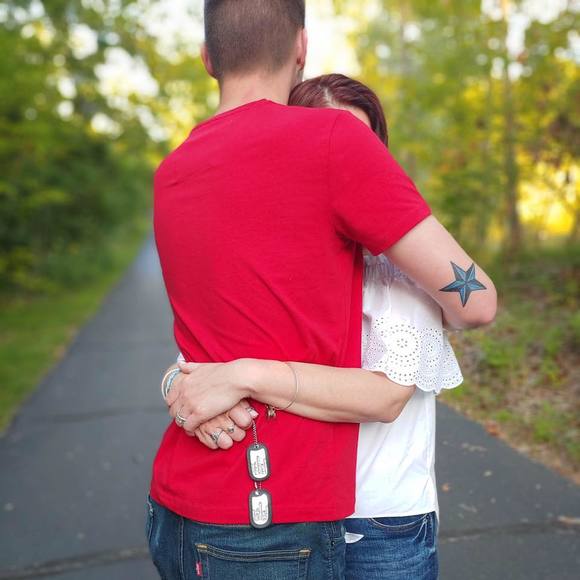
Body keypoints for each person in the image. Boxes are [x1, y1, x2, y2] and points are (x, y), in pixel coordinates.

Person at [148, 1, 497, 578]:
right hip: (272, 512)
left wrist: (208, 383)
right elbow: (477, 301)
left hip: (180, 511)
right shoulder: (331, 141)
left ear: (207, 58)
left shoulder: (173, 172)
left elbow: (210, 343)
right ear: (301, 49)